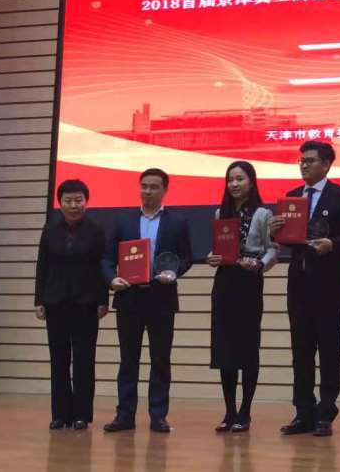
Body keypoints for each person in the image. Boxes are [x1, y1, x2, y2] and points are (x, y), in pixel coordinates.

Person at [270, 141, 340, 437]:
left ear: (326, 164)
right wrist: (275, 232)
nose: (304, 165)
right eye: (301, 161)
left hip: (330, 281)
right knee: (301, 348)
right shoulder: (292, 197)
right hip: (299, 280)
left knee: (329, 347)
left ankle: (326, 412)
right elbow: (287, 240)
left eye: (310, 160)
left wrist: (333, 244)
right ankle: (303, 412)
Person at [102, 168, 193, 434]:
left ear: (165, 190)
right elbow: (107, 258)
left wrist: (174, 272)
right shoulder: (123, 221)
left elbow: (186, 257)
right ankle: (124, 415)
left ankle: (158, 416)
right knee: (128, 360)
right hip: (129, 297)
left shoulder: (178, 222)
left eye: (154, 187)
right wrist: (111, 279)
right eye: (144, 186)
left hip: (161, 297)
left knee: (160, 360)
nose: (148, 191)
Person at [206, 160, 277, 433]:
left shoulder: (263, 213)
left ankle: (245, 412)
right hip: (224, 282)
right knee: (224, 349)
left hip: (249, 282)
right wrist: (212, 257)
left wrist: (259, 264)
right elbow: (218, 248)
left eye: (240, 179)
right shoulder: (220, 213)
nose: (234, 184)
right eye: (230, 179)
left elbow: (273, 250)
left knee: (247, 347)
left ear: (251, 182)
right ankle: (229, 411)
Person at [34, 179, 109, 431]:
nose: (74, 205)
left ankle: (81, 415)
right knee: (58, 360)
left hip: (86, 303)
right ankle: (60, 414)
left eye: (79, 200)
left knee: (84, 360)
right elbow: (42, 266)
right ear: (60, 203)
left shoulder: (96, 230)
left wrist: (103, 300)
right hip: (55, 302)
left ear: (86, 202)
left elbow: (102, 267)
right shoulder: (50, 229)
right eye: (68, 201)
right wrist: (39, 300)